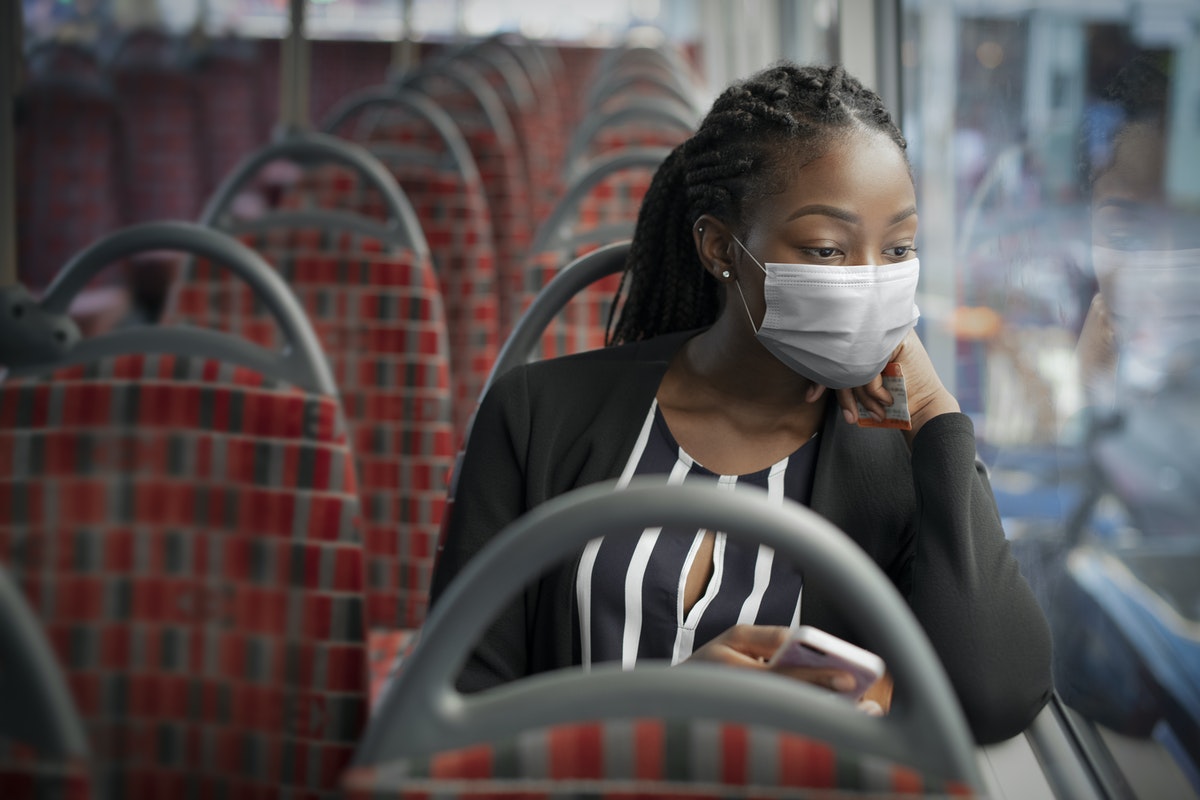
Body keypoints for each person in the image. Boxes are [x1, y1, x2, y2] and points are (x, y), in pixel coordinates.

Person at [430, 61, 1053, 745]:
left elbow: (995, 698)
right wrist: (664, 720)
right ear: (721, 247)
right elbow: (454, 711)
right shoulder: (537, 417)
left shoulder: (898, 466)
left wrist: (935, 418)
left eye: (898, 248)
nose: (873, 282)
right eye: (827, 249)